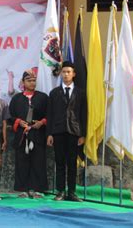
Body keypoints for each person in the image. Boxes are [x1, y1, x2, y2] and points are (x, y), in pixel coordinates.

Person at [47, 61, 87, 202]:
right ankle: (60, 192)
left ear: (74, 74)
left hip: (74, 133)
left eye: (69, 72)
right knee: (60, 162)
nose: (66, 74)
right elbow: (50, 114)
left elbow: (83, 114)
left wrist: (83, 134)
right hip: (58, 132)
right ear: (61, 73)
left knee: (72, 163)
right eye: (64, 72)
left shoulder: (80, 93)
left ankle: (72, 192)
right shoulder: (54, 93)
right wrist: (50, 134)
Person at [9, 69, 48, 198]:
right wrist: (19, 122)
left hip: (38, 134)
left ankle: (37, 189)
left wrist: (41, 122)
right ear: (23, 82)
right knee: (22, 161)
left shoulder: (43, 97)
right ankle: (23, 189)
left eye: (33, 80)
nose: (32, 83)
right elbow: (10, 117)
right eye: (29, 80)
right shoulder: (16, 99)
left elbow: (50, 115)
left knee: (38, 161)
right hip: (22, 135)